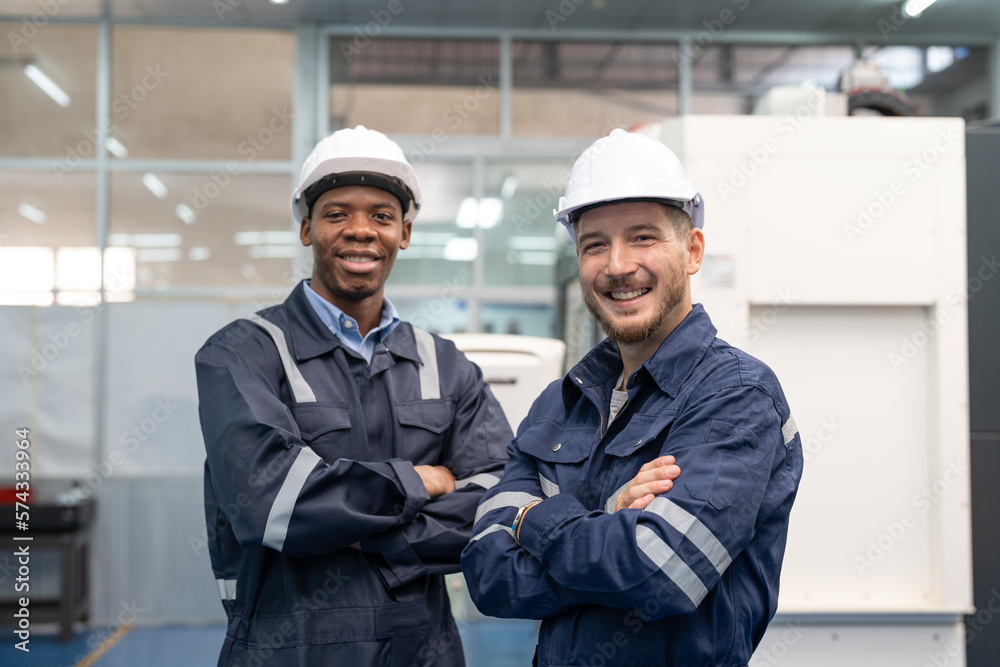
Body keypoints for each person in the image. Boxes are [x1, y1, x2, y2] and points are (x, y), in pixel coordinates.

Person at [461, 129, 803, 666]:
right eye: (594, 244)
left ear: (692, 251)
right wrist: (608, 517)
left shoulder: (736, 397)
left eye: (643, 237)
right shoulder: (559, 404)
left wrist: (536, 522)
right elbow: (486, 573)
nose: (617, 265)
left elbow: (662, 571)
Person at [196, 125, 511, 667]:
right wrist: (418, 480)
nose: (361, 230)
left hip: (423, 651)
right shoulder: (241, 355)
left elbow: (499, 501)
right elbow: (272, 506)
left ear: (405, 233)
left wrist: (366, 532)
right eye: (338, 213)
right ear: (306, 229)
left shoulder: (446, 364)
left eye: (382, 216)